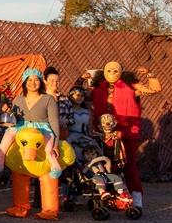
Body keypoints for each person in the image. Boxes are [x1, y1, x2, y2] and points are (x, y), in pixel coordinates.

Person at [91, 61, 161, 209]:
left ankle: (136, 198)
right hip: (104, 134)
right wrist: (81, 79)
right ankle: (113, 199)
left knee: (129, 166)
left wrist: (149, 74)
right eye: (108, 71)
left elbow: (155, 89)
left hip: (127, 132)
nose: (112, 74)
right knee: (107, 167)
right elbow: (77, 97)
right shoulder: (97, 88)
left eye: (115, 71)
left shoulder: (132, 86)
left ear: (121, 72)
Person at [0, 69, 62, 178]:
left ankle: (55, 166)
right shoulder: (18, 99)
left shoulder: (48, 99)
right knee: (8, 134)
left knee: (48, 144)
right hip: (22, 128)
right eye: (29, 80)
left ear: (41, 82)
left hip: (41, 128)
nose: (33, 83)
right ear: (24, 82)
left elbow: (54, 121)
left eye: (36, 80)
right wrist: (9, 112)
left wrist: (56, 144)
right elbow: (14, 119)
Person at [66, 86, 96, 163]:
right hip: (71, 140)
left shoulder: (87, 112)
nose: (79, 98)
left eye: (82, 96)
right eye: (77, 95)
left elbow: (90, 127)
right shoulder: (68, 110)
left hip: (84, 139)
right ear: (71, 97)